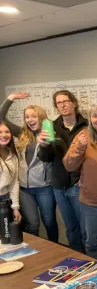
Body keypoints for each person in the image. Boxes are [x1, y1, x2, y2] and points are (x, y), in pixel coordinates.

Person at [0, 94, 58, 242]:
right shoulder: (22, 134)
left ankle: (56, 249)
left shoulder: (49, 134)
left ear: (41, 117)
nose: (30, 120)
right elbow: (1, 117)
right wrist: (11, 98)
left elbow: (50, 156)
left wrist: (45, 143)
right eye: (27, 117)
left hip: (44, 187)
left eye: (34, 116)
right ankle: (34, 252)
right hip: (24, 189)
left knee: (49, 222)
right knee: (32, 224)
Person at [63, 104, 97, 261]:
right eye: (95, 116)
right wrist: (79, 148)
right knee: (94, 244)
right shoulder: (83, 136)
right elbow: (68, 165)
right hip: (93, 201)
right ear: (90, 120)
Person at [37, 90, 87, 253]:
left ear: (74, 102)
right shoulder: (52, 127)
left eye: (66, 101)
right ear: (56, 106)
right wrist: (43, 146)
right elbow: (47, 158)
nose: (63, 105)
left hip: (79, 184)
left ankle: (90, 261)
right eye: (59, 103)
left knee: (85, 228)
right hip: (59, 185)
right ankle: (78, 262)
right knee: (71, 228)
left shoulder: (87, 125)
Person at [0, 120, 21, 221]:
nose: (4, 135)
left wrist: (15, 208)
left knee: (6, 233)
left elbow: (14, 184)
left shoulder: (13, 156)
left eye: (7, 132)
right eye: (0, 132)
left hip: (5, 200)